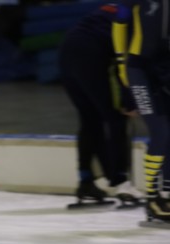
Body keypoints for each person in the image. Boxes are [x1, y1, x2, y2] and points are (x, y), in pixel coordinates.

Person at [59, 3, 142, 205]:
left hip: (66, 50)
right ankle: (122, 184)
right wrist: (128, 99)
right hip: (91, 53)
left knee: (90, 119)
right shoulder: (142, 13)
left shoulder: (120, 7)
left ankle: (86, 180)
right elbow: (124, 60)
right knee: (116, 118)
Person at [113, 0, 170, 221]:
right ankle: (152, 198)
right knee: (160, 131)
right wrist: (121, 62)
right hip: (140, 70)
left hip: (164, 67)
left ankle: (166, 193)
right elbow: (119, 22)